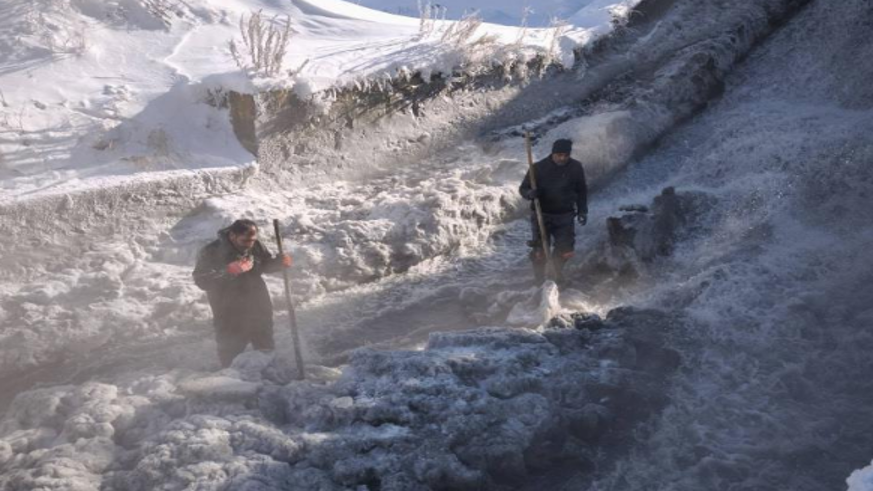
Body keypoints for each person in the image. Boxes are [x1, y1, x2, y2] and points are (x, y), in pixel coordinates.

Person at [193, 219, 292, 367]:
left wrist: (279, 263)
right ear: (232, 236)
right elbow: (201, 280)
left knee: (264, 343)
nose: (250, 244)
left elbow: (263, 264)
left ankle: (268, 375)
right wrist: (228, 271)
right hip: (228, 307)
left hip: (258, 302)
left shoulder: (255, 245)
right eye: (245, 240)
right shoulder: (212, 251)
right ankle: (232, 382)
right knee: (231, 348)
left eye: (252, 240)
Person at [519, 138, 588, 284]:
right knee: (540, 251)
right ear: (553, 153)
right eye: (559, 155)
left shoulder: (576, 167)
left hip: (565, 215)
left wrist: (583, 210)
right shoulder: (538, 168)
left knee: (565, 249)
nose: (562, 158)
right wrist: (530, 194)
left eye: (565, 155)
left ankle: (556, 273)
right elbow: (523, 188)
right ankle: (539, 280)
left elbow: (581, 190)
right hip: (541, 215)